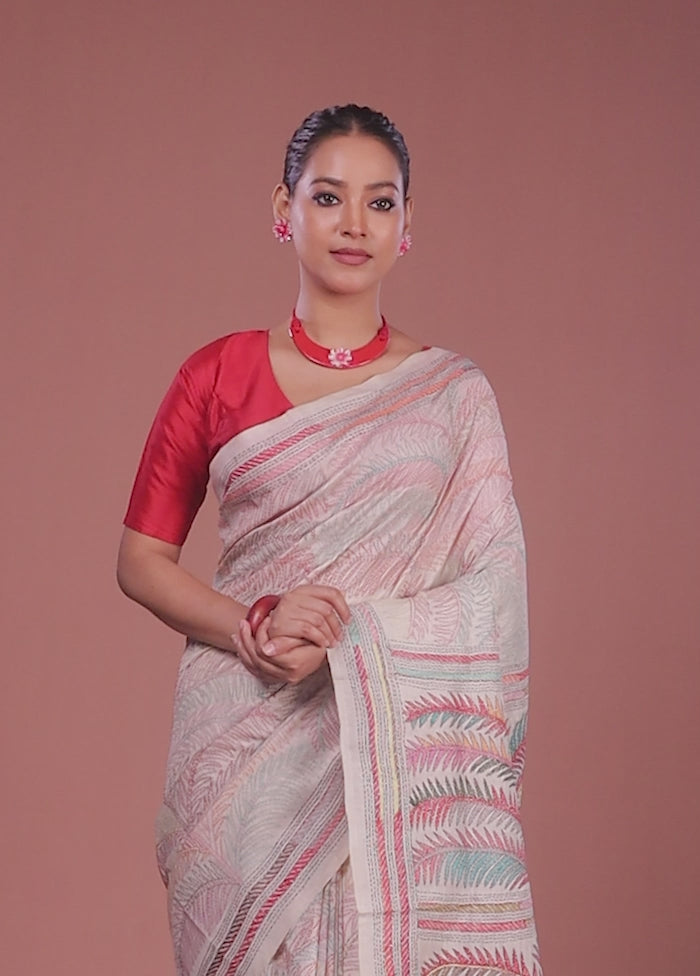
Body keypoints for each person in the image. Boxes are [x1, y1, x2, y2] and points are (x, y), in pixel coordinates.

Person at [117, 104, 541, 976]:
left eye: (381, 202)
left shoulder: (453, 396)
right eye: (328, 197)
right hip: (245, 746)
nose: (355, 223)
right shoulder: (215, 375)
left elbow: (492, 590)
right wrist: (254, 624)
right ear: (285, 208)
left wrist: (352, 636)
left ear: (407, 224)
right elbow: (141, 560)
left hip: (392, 755)